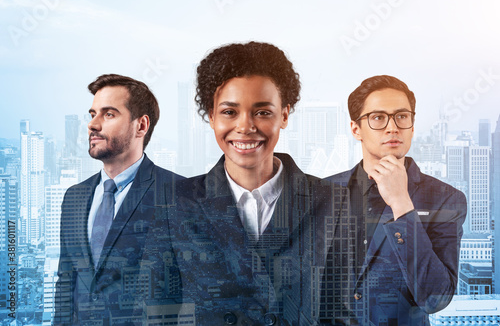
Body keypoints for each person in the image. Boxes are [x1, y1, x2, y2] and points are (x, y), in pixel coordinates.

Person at [155, 41, 335, 325]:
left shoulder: (332, 201)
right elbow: (157, 311)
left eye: (262, 112)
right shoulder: (174, 202)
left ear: (284, 115)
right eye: (229, 112)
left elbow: (342, 312)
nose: (245, 126)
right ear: (211, 116)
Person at [322, 75, 467, 325]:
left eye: (401, 116)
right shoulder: (321, 192)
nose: (393, 127)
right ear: (356, 129)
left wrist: (401, 204)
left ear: (412, 126)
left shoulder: (445, 199)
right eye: (378, 118)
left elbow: (435, 298)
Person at [53, 74, 183, 325]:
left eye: (108, 114)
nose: (93, 124)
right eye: (92, 114)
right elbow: (66, 281)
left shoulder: (180, 193)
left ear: (141, 126)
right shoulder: (74, 197)